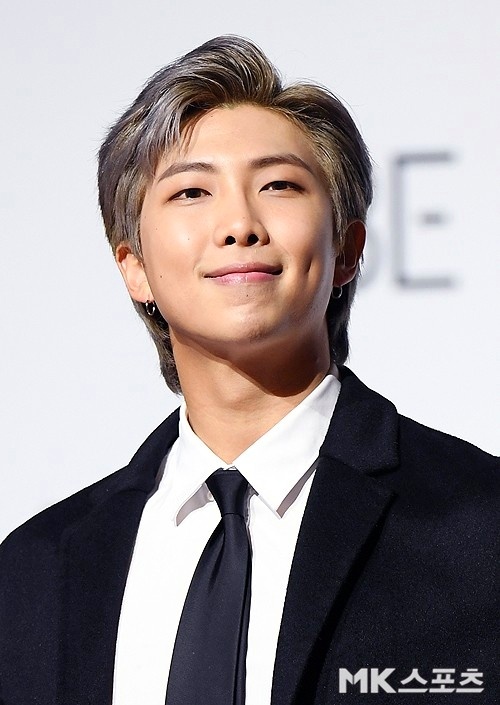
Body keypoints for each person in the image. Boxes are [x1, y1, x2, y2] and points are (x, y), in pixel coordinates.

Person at [0, 35, 497, 705]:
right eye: (191, 192)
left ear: (348, 248)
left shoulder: (481, 528)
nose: (239, 223)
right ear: (134, 266)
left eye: (278, 185)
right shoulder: (36, 569)